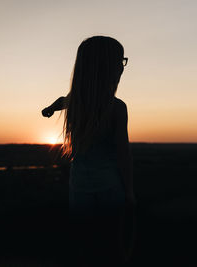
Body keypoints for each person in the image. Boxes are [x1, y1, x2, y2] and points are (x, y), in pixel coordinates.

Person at [41, 36, 136, 265]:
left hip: (79, 187)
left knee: (85, 246)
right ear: (108, 68)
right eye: (120, 62)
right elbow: (123, 154)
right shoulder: (116, 108)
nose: (122, 68)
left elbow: (62, 100)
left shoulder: (76, 103)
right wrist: (130, 192)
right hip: (110, 188)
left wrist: (50, 109)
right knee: (114, 247)